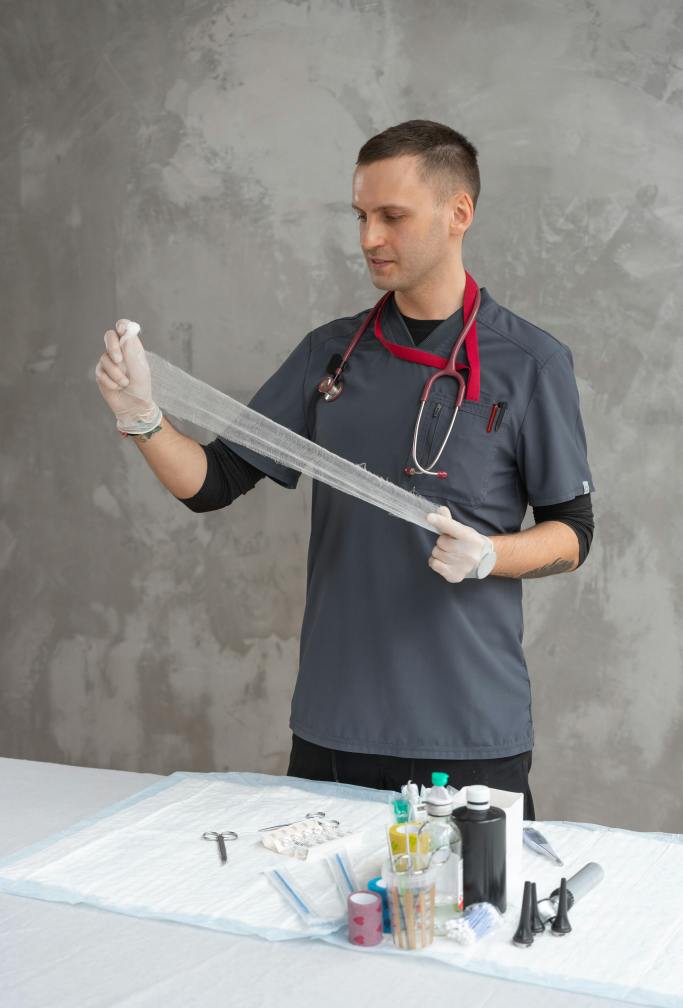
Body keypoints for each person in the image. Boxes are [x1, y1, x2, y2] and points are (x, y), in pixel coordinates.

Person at [95, 120, 595, 819]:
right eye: (360, 216)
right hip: (335, 726)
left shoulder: (530, 364)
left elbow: (573, 532)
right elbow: (213, 483)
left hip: (468, 728)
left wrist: (491, 554)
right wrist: (143, 417)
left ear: (458, 214)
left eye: (392, 216)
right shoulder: (329, 358)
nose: (368, 238)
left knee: (469, 894)